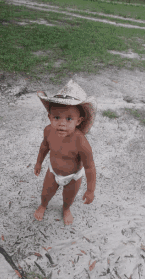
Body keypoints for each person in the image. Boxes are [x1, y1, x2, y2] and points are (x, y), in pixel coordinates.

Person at [34, 79, 97, 225]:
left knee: (69, 198)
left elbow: (89, 167)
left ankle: (66, 209)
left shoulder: (81, 142)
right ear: (49, 117)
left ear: (79, 121)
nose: (62, 123)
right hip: (53, 171)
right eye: (57, 117)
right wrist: (39, 162)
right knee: (45, 193)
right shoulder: (48, 131)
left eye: (69, 118)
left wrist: (90, 190)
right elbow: (44, 146)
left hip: (73, 176)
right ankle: (43, 205)